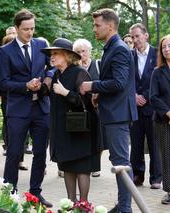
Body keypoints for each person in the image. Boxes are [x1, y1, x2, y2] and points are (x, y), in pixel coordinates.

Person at [80, 8, 137, 213]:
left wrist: (92, 86)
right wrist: (99, 95)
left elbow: (120, 83)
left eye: (97, 25)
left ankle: (125, 208)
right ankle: (123, 205)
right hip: (113, 112)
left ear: (110, 26)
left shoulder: (119, 48)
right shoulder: (111, 47)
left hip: (118, 115)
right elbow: (115, 81)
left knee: (121, 163)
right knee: (118, 162)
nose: (94, 28)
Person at [0, 9, 52, 207]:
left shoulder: (41, 45)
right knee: (13, 153)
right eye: (26, 29)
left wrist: (47, 79)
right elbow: (3, 83)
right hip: (18, 110)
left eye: (32, 29)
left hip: (41, 108)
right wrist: (25, 86)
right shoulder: (5, 51)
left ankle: (36, 193)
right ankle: (9, 194)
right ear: (17, 28)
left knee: (40, 153)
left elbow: (53, 66)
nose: (30, 33)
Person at [41, 38, 102, 202]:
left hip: (80, 129)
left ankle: (83, 205)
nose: (52, 57)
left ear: (67, 55)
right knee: (67, 166)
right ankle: (70, 203)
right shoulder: (55, 75)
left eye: (56, 54)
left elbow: (87, 102)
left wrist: (65, 92)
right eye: (51, 54)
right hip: (63, 129)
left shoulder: (79, 72)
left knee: (82, 168)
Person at [129, 23, 162, 189]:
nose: (135, 40)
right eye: (133, 37)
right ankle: (137, 175)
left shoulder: (158, 54)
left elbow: (161, 79)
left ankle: (156, 178)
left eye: (138, 36)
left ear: (146, 35)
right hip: (134, 106)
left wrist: (147, 97)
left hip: (153, 106)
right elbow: (126, 80)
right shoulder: (129, 56)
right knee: (136, 143)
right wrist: (133, 95)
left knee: (154, 144)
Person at [0, 33, 28, 170]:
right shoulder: (1, 57)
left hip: (21, 97)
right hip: (7, 97)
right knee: (9, 125)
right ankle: (9, 148)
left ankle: (20, 158)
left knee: (21, 128)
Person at [73, 38, 102, 178]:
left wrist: (98, 94)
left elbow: (104, 83)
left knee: (97, 138)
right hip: (80, 109)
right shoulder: (75, 69)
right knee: (84, 138)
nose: (81, 54)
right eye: (78, 52)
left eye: (83, 51)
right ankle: (83, 165)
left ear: (89, 51)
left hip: (96, 108)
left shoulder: (97, 65)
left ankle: (95, 166)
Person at [150, 34, 170, 205]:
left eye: (169, 46)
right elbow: (153, 97)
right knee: (167, 156)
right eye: (164, 47)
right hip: (163, 121)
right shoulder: (157, 72)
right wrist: (168, 113)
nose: (166, 49)